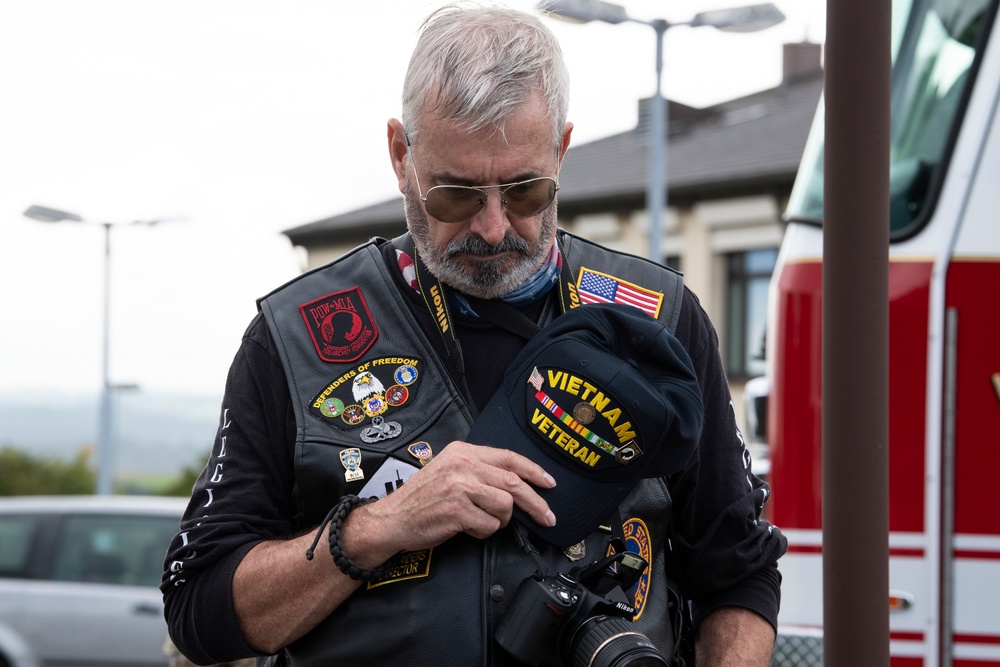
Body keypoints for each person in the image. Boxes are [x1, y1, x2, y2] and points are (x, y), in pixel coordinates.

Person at [161, 3, 786, 666]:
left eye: (525, 191)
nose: (493, 227)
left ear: (562, 150)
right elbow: (199, 608)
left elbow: (738, 574)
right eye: (456, 196)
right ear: (402, 156)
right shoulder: (292, 338)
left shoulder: (661, 317)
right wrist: (381, 525)